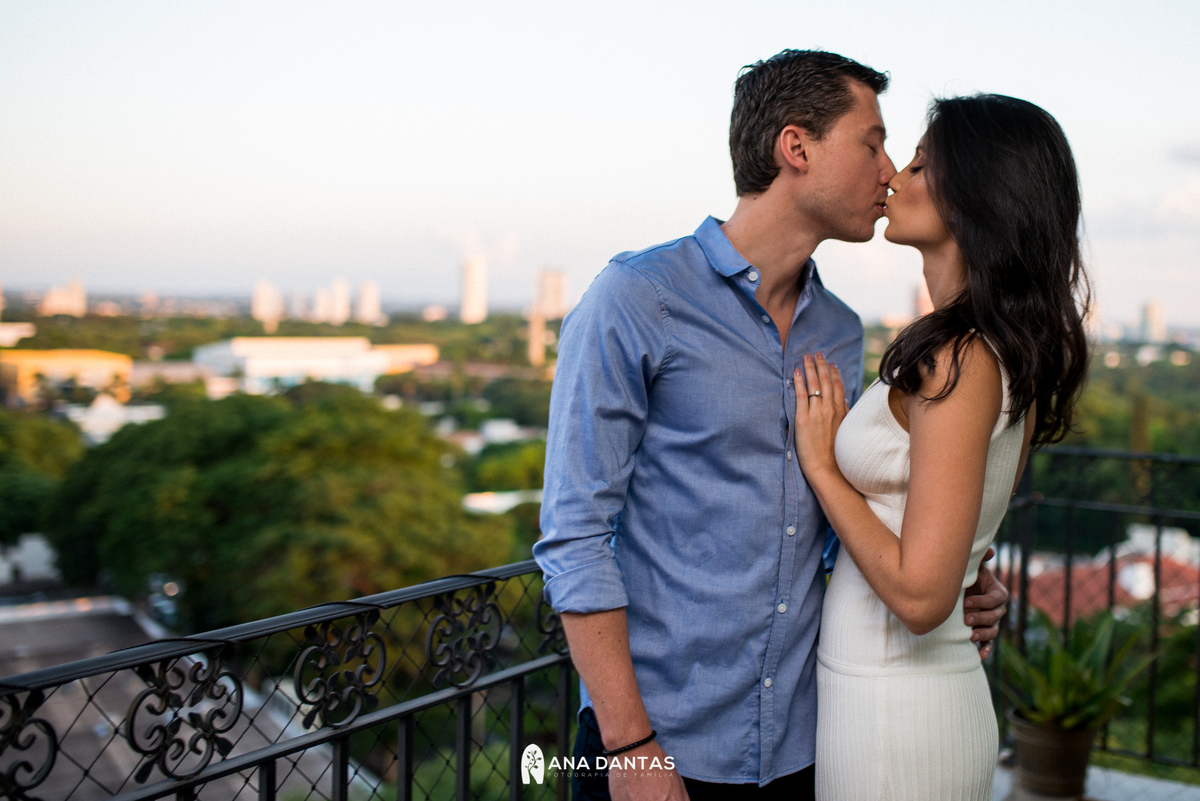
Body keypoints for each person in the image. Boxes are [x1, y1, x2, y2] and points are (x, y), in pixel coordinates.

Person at [533, 51, 1010, 801]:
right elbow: (574, 534)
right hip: (661, 744)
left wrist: (964, 569)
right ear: (797, 148)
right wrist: (631, 745)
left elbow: (849, 509)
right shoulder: (637, 299)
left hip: (803, 744)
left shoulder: (842, 331)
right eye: (872, 142)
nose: (889, 170)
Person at [792, 94, 1090, 800]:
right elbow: (965, 527)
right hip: (901, 695)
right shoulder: (998, 346)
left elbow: (923, 597)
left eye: (922, 163)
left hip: (897, 711)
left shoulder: (959, 357)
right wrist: (973, 575)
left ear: (977, 198)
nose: (897, 174)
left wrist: (821, 466)